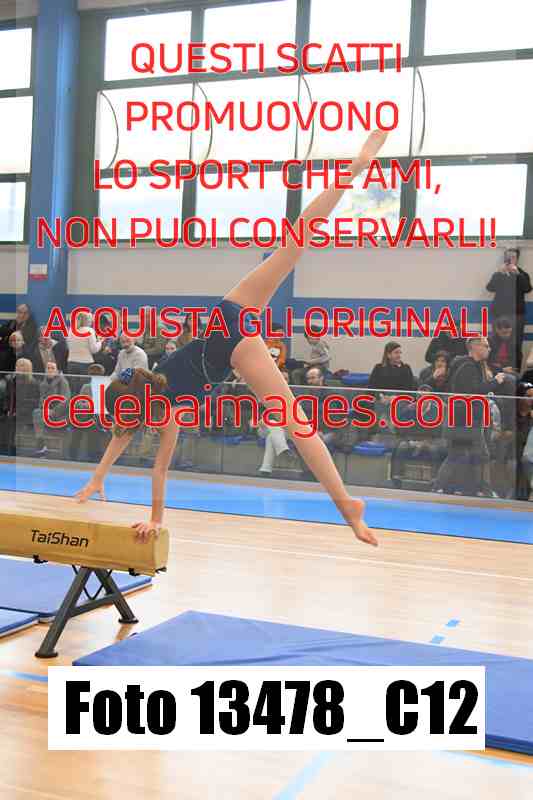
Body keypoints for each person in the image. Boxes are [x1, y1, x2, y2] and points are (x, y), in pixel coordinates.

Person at [74, 130, 390, 547]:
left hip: (232, 347)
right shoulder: (147, 381)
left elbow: (157, 468)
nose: (122, 426)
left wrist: (155, 520)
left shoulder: (165, 414)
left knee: (296, 423)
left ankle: (347, 506)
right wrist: (97, 478)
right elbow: (122, 434)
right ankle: (354, 168)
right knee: (293, 244)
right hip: (226, 314)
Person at [486, 247, 531, 358]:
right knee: (496, 344)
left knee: (516, 345)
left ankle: (515, 368)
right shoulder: (499, 273)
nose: (510, 259)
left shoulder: (523, 274)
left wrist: (518, 274)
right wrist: (498, 273)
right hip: (499, 314)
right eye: (508, 257)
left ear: (517, 259)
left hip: (517, 316)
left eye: (513, 257)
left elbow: (527, 288)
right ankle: (496, 367)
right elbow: (490, 288)